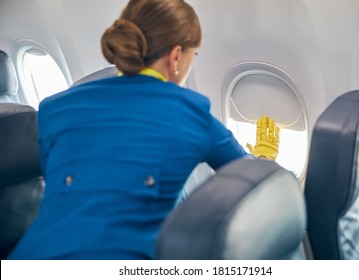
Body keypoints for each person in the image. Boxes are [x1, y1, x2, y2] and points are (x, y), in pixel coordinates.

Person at [8, 0, 279, 260]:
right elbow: (252, 185)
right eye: (192, 55)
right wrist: (265, 157)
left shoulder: (53, 108)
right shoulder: (189, 110)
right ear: (175, 56)